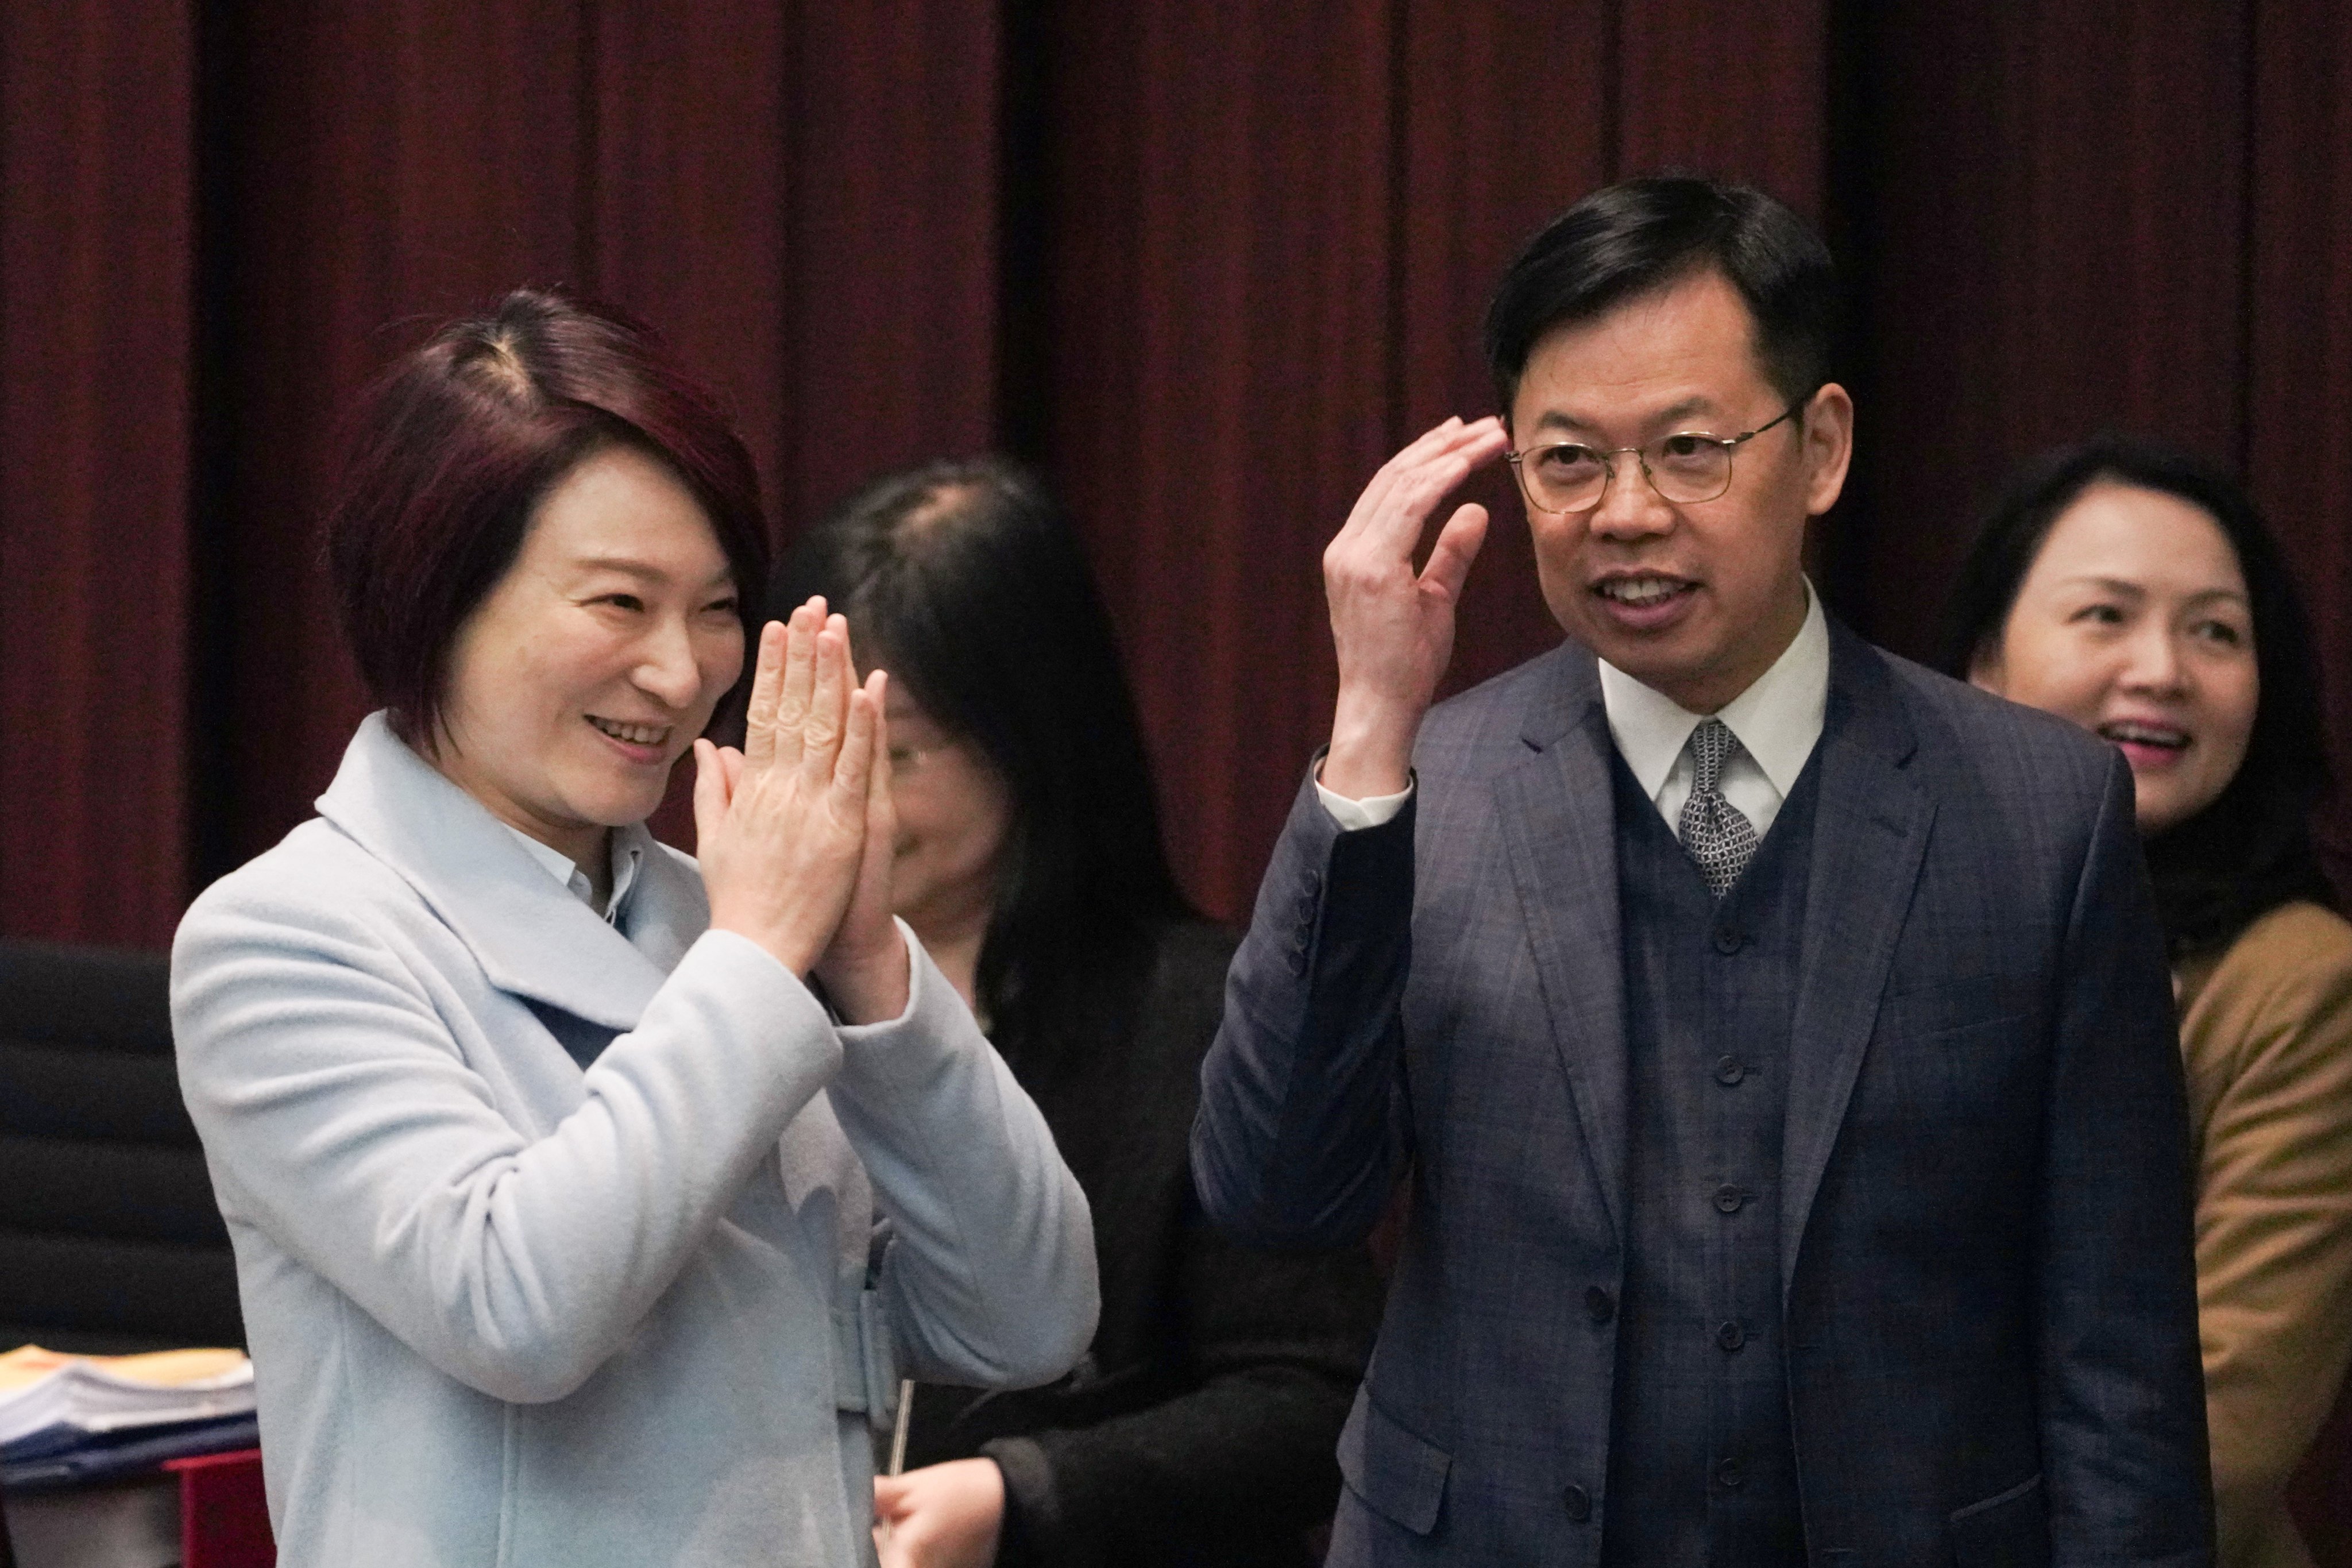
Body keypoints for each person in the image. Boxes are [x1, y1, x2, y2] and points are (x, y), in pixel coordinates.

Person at [1191, 176, 2214, 1564]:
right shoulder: (1428, 789)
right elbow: (1273, 1196)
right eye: (1565, 462)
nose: (1622, 514)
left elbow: (2119, 1363)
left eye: (1685, 450)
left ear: (1822, 448)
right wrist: (1369, 730)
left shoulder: (2036, 815)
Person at [169, 291, 1096, 1568]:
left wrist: (871, 959)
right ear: (434, 599)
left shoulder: (734, 926)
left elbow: (1029, 1319)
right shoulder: (290, 935)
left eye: (716, 610)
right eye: (618, 604)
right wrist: (762, 953)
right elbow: (519, 1306)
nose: (681, 674)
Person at [768, 458, 1383, 1568]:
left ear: (1031, 732)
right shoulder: (744, 1009)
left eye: (893, 751)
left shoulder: (1202, 1011)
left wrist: (1023, 1489)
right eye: (816, 742)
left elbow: (1313, 1395)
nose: (842, 797)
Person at [1948, 434, 2352, 1568]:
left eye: (2214, 631)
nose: (2161, 670)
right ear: (1984, 662)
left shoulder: (2298, 986)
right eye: (2103, 616)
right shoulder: (1876, 919)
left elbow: (2214, 1439)